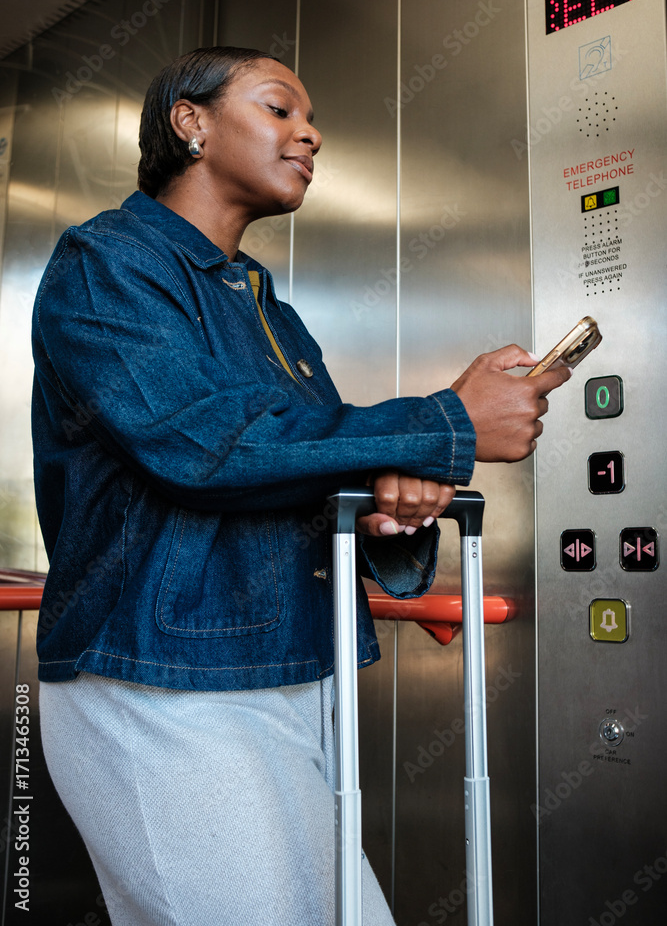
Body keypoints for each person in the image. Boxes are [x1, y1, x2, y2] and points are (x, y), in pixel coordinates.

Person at [33, 47, 569, 926]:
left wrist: (388, 500)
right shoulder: (106, 262)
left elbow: (296, 467)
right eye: (279, 109)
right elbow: (201, 447)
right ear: (190, 122)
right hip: (160, 684)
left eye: (311, 119)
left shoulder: (267, 310)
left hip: (293, 673)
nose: (309, 134)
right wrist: (447, 423)